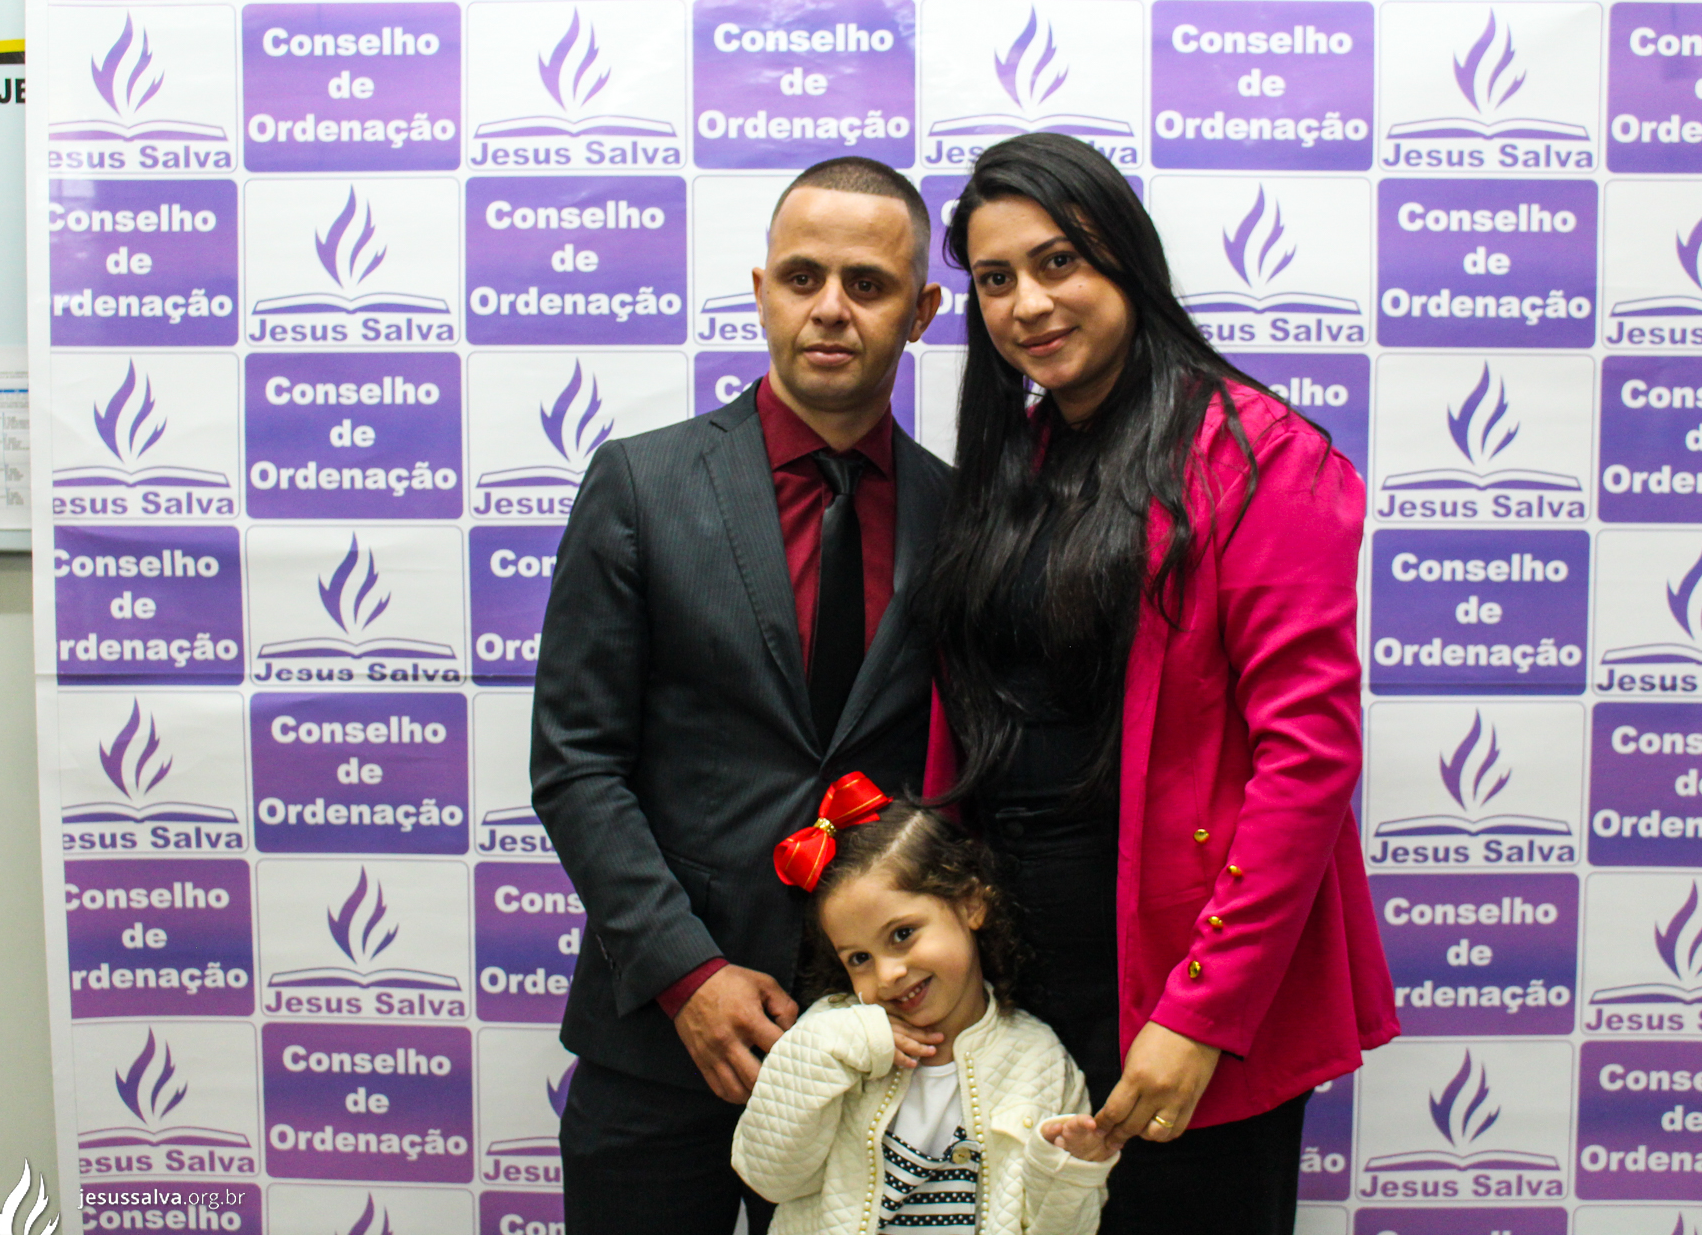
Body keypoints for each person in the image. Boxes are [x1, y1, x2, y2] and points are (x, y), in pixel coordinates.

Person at [919, 132, 1398, 1234]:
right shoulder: (1015, 465)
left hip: (1176, 980)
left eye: (1058, 262)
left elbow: (1308, 758)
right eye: (995, 279)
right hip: (1017, 976)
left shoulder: (1261, 455)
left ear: (1126, 261)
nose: (1029, 303)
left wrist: (1202, 1015)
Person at [531, 156, 950, 1235]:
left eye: (868, 284)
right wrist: (687, 974)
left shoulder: (964, 517)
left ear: (922, 314)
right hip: (659, 1040)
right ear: (761, 291)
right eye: (803, 277)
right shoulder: (642, 483)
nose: (830, 308)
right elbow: (575, 762)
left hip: (880, 1045)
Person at [733, 790, 1118, 1234]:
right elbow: (768, 1178)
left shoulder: (1039, 1061)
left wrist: (1069, 1173)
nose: (888, 974)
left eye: (902, 934)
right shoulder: (829, 1035)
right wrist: (829, 1050)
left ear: (970, 903)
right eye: (859, 958)